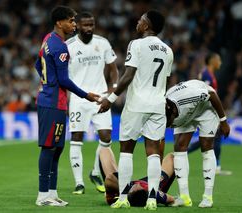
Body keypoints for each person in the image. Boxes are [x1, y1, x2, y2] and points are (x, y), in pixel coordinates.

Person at [98, 10, 173, 210]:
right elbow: (165, 80)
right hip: (158, 104)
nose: (137, 23)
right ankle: (151, 199)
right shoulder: (168, 50)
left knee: (126, 151)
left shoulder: (137, 44)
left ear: (147, 25)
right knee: (154, 153)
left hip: (137, 104)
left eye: (141, 20)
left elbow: (128, 75)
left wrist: (111, 99)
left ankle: (123, 198)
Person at [34, 6, 100, 207]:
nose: (74, 25)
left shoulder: (48, 39)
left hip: (55, 102)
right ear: (59, 23)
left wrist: (46, 81)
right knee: (49, 148)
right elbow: (64, 80)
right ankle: (42, 195)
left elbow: (38, 65)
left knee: (57, 148)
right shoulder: (60, 47)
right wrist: (86, 95)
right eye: (71, 21)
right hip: (53, 103)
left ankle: (52, 194)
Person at [66, 12, 119, 195]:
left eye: (92, 25)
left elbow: (113, 69)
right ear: (77, 26)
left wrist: (112, 91)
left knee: (106, 137)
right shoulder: (69, 46)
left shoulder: (102, 42)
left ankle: (96, 172)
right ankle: (79, 183)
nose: (89, 28)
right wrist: (67, 100)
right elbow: (64, 77)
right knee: (76, 139)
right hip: (79, 99)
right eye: (85, 25)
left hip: (100, 98)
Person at [164, 79, 230, 208]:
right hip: (186, 113)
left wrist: (223, 121)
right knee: (179, 148)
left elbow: (212, 95)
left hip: (205, 108)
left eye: (170, 122)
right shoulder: (164, 105)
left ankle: (207, 197)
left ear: (173, 113)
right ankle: (184, 197)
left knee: (206, 147)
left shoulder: (189, 96)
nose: (169, 126)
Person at [187, 53, 232, 175]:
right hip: (207, 111)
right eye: (219, 60)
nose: (220, 63)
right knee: (212, 137)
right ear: (212, 61)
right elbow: (205, 94)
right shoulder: (207, 75)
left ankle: (216, 166)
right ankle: (183, 152)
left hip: (208, 111)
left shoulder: (208, 74)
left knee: (213, 138)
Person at [99, 146, 175, 207]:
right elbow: (171, 199)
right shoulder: (154, 194)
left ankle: (95, 172)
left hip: (120, 189)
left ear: (130, 192)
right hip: (152, 183)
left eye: (137, 186)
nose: (138, 184)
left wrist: (121, 188)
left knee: (104, 150)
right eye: (141, 186)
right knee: (173, 157)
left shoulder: (121, 193)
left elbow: (109, 178)